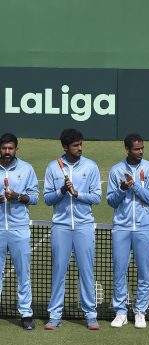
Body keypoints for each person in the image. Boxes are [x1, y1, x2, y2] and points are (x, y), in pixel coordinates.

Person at [44, 128, 102, 330]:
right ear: (65, 147)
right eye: (76, 145)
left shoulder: (91, 167)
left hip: (84, 226)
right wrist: (61, 191)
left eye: (80, 144)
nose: (80, 148)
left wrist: (78, 194)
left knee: (86, 271)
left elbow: (96, 197)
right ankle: (54, 315)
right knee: (59, 271)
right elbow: (47, 198)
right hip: (61, 226)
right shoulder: (53, 167)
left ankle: (90, 314)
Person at [106, 134, 149, 329]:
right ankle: (120, 312)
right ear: (127, 149)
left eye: (142, 148)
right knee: (120, 270)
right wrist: (121, 189)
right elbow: (111, 201)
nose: (141, 152)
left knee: (144, 272)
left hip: (144, 227)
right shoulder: (116, 171)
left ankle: (140, 312)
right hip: (121, 227)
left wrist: (134, 186)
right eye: (137, 149)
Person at [0, 133, 39, 330]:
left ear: (16, 149)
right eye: (4, 148)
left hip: (19, 229)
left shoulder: (27, 169)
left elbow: (34, 197)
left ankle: (26, 314)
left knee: (23, 273)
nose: (7, 152)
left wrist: (17, 196)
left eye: (10, 148)